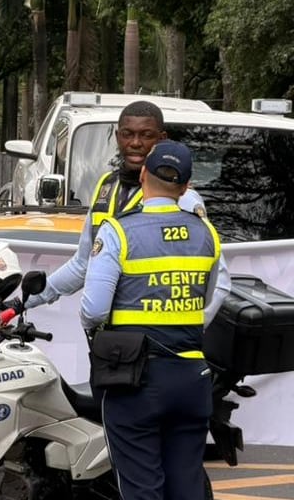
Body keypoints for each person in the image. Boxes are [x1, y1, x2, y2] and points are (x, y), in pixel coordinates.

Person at [80, 140, 223, 500]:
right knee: (187, 487)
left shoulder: (119, 231)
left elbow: (94, 309)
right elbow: (208, 299)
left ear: (143, 174)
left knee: (142, 489)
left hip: (135, 381)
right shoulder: (207, 234)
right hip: (192, 378)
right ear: (186, 187)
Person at [29, 101, 219, 309]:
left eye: (146, 135)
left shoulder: (183, 198)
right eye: (128, 134)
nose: (135, 143)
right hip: (112, 335)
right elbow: (83, 264)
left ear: (162, 139)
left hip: (157, 334)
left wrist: (193, 328)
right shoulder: (106, 187)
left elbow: (219, 281)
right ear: (118, 136)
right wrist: (24, 302)